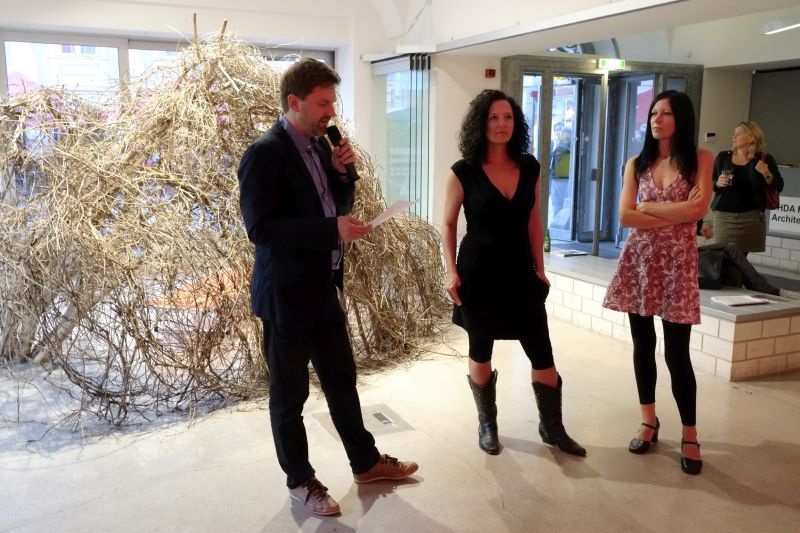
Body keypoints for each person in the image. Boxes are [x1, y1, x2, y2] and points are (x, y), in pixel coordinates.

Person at [237, 58, 417, 517]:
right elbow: (261, 229)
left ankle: (365, 463)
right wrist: (330, 229)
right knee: (290, 396)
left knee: (342, 383)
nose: (330, 112)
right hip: (286, 297)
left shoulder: (320, 147)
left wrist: (341, 175)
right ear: (294, 102)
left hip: (323, 288)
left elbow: (335, 206)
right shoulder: (265, 154)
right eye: (322, 103)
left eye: (332, 102)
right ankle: (301, 480)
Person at [441, 89, 585, 457]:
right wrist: (451, 271)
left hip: (520, 270)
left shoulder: (530, 167)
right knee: (481, 348)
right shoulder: (463, 171)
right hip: (478, 272)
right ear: (481, 123)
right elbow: (448, 224)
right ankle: (487, 424)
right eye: (493, 117)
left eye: (507, 117)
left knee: (542, 350)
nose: (501, 124)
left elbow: (534, 220)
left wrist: (541, 268)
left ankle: (552, 426)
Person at [602, 90, 713, 475]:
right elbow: (625, 217)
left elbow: (698, 210)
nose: (656, 119)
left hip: (678, 267)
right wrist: (676, 213)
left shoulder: (700, 158)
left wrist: (649, 207)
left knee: (677, 354)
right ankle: (648, 420)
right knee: (643, 345)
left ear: (681, 118)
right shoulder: (637, 163)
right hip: (640, 263)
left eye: (665, 113)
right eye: (653, 113)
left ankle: (690, 434)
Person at [710, 121, 783, 254]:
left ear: (751, 137)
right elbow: (711, 183)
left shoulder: (764, 159)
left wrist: (766, 173)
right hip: (724, 217)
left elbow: (778, 186)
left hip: (751, 218)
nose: (734, 137)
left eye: (738, 134)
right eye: (734, 134)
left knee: (740, 260)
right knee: (724, 258)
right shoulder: (723, 157)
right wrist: (717, 183)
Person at [697, 222, 800, 298]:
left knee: (731, 257)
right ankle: (764, 288)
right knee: (730, 248)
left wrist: (704, 225)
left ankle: (761, 287)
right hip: (691, 248)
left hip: (694, 246)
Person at [549, 127, 572, 226]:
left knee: (559, 206)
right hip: (560, 180)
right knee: (558, 206)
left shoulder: (562, 147)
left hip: (562, 180)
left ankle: (557, 226)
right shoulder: (560, 146)